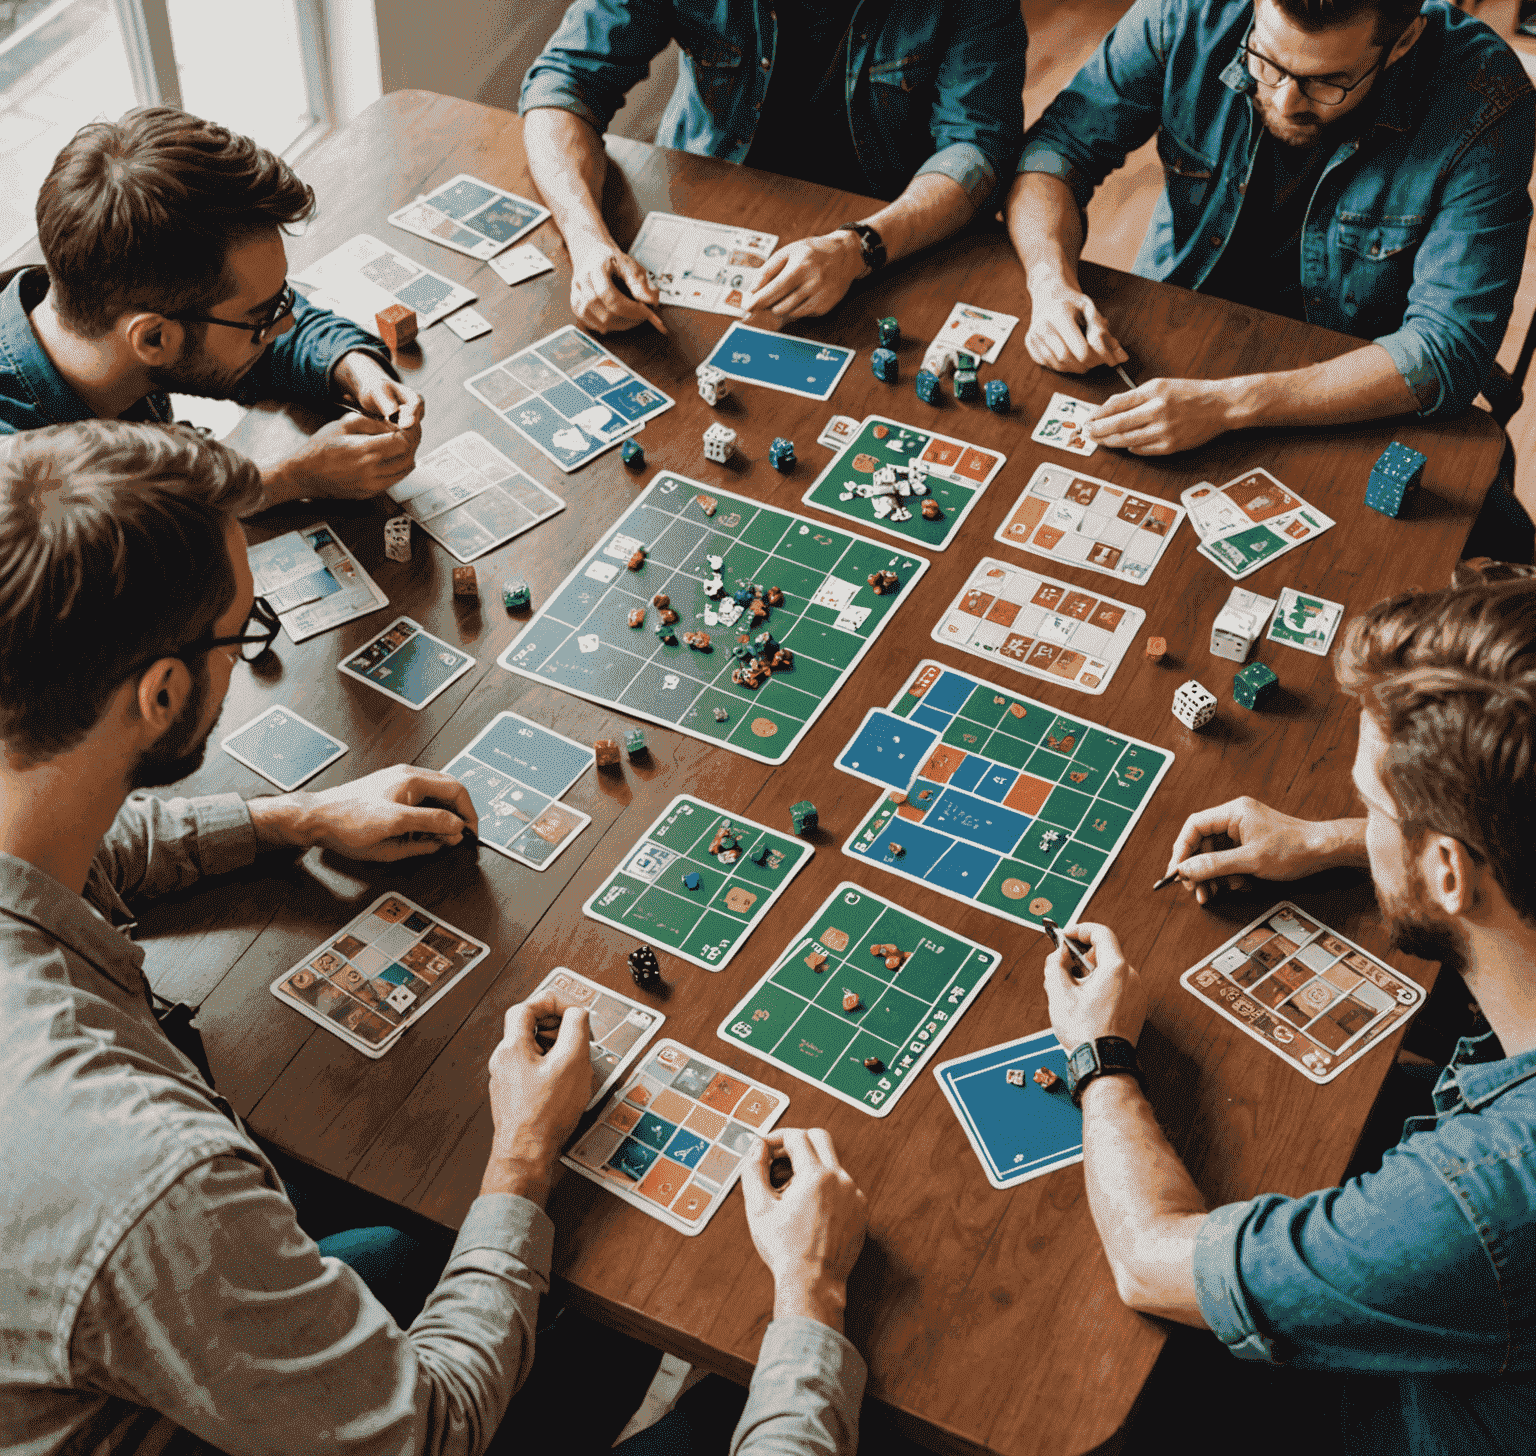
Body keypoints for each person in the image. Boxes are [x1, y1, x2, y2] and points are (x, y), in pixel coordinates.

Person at [0, 419, 873, 1456]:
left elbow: (91, 838)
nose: (248, 653)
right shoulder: (157, 1180)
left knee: (422, 1259)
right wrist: (523, 1154)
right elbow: (431, 1433)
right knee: (736, 1393)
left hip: (117, 1345)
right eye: (247, 632)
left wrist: (298, 817)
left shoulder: (30, 788)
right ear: (164, 694)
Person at [1042, 577, 1536, 1454]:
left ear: (1451, 871)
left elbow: (1149, 1261)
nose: (1363, 820)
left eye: (1372, 806)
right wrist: (1331, 841)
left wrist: (1099, 1054)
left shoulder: (1479, 1200)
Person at [1006, 0, 1536, 528]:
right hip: (1184, 330)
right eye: (1266, 61)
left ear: (1403, 41)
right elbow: (1055, 151)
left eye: (1328, 80)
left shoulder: (1484, 97)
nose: (1285, 100)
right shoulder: (1194, 1)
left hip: (1356, 387)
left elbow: (1448, 347)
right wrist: (1050, 281)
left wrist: (1232, 405)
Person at [520, 0, 1029, 331]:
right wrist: (587, 240)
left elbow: (978, 144)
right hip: (714, 197)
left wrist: (860, 246)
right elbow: (566, 84)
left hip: (894, 222)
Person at [0, 106, 426, 506]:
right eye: (263, 318)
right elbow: (135, 533)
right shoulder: (21, 491)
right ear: (153, 338)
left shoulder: (100, 303)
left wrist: (351, 366)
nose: (287, 323)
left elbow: (235, 340)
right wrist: (288, 478)